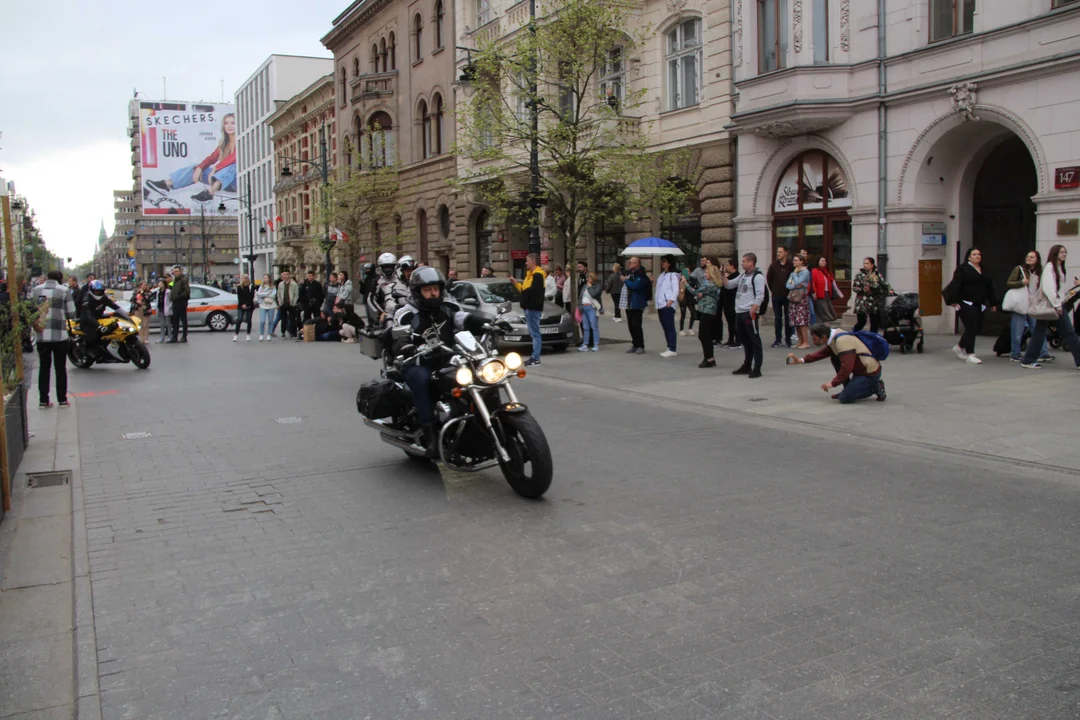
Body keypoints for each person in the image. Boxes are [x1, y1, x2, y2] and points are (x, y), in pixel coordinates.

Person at [394, 267, 492, 454]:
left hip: (447, 357)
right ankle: (430, 433)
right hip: (417, 361)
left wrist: (489, 324)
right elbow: (400, 334)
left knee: (477, 373)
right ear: (417, 292)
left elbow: (464, 319)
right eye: (427, 290)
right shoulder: (406, 312)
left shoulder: (447, 307)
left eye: (436, 289)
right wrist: (405, 345)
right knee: (421, 380)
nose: (433, 293)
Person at [144, 113, 237, 202]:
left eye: (233, 123)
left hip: (237, 182)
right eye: (226, 123)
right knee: (196, 168)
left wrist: (216, 169)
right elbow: (211, 159)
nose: (229, 126)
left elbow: (234, 157)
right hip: (224, 182)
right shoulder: (224, 145)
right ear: (223, 126)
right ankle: (166, 185)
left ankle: (210, 193)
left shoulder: (243, 141)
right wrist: (200, 167)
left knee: (235, 165)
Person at [788, 323, 887, 404]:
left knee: (845, 398)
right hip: (859, 371)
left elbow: (847, 367)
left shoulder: (842, 341)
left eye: (815, 339)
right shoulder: (833, 337)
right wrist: (801, 360)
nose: (814, 342)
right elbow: (822, 353)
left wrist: (833, 383)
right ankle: (848, 388)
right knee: (835, 358)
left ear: (823, 337)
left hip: (869, 373)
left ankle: (876, 386)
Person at [1021, 244, 1080, 370]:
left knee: (1041, 332)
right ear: (1055, 254)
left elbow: (1060, 289)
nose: (1064, 254)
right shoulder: (1050, 267)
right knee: (1068, 332)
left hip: (1056, 304)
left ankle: (1028, 360)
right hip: (1053, 305)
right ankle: (1028, 360)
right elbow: (1048, 289)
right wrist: (1058, 304)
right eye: (1061, 252)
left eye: (1065, 252)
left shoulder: (1059, 268)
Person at [32, 270, 76, 408]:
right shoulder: (64, 290)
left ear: (47, 278)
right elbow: (71, 313)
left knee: (44, 368)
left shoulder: (36, 290)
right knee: (60, 369)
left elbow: (31, 311)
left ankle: (43, 400)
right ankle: (62, 400)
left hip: (41, 335)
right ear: (60, 279)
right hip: (60, 336)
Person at [944, 247, 997, 364]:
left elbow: (989, 288)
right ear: (969, 257)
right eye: (974, 254)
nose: (977, 256)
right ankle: (970, 354)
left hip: (980, 303)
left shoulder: (984, 270)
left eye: (978, 254)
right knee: (971, 326)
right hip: (966, 302)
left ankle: (959, 347)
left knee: (975, 327)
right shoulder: (963, 269)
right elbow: (955, 284)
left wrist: (993, 302)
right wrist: (953, 301)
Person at [724, 253, 766, 378]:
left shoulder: (758, 277)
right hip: (739, 311)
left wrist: (752, 311)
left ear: (751, 263)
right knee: (744, 339)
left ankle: (757, 367)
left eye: (744, 261)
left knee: (754, 339)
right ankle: (747, 364)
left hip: (748, 312)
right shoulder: (743, 275)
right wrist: (721, 274)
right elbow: (729, 284)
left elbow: (760, 296)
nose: (741, 263)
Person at [1006, 251, 1051, 363]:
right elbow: (1009, 283)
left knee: (1038, 329)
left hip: (1034, 304)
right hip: (1021, 303)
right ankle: (1015, 354)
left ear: (1037, 259)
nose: (1029, 258)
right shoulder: (1019, 269)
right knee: (1017, 331)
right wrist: (1021, 282)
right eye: (1027, 257)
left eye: (1032, 257)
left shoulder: (1041, 272)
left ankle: (1043, 353)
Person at [510, 254, 547, 366]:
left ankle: (535, 358)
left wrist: (525, 292)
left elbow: (534, 290)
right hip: (528, 307)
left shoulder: (538, 275)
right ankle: (534, 356)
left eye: (527, 261)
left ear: (533, 261)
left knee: (535, 333)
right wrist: (516, 283)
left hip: (533, 307)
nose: (526, 263)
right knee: (533, 332)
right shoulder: (529, 275)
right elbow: (524, 289)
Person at [79, 280, 132, 358]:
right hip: (87, 321)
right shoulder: (86, 299)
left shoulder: (104, 297)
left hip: (99, 317)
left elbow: (114, 306)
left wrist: (127, 316)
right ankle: (88, 350)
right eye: (97, 291)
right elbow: (88, 315)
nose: (99, 293)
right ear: (92, 290)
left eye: (100, 291)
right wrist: (99, 326)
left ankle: (111, 345)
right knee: (94, 335)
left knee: (113, 326)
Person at [693, 257, 723, 368]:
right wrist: (699, 294)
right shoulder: (708, 284)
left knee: (704, 335)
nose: (705, 274)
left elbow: (696, 292)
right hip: (705, 310)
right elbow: (699, 294)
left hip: (708, 312)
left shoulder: (711, 285)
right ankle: (708, 357)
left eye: (706, 272)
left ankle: (710, 358)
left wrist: (685, 284)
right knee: (704, 335)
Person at [766, 247, 794, 348]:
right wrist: (773, 289)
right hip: (776, 295)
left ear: (785, 253)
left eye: (780, 252)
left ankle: (788, 339)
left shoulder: (791, 265)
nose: (778, 253)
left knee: (788, 318)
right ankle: (778, 339)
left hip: (787, 295)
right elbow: (769, 279)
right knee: (777, 318)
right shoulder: (774, 265)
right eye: (777, 252)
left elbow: (794, 278)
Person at [852, 257, 889, 333]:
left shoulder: (877, 275)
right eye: (864, 263)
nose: (865, 265)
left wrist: (888, 290)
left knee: (874, 323)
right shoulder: (859, 275)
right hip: (862, 302)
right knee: (861, 322)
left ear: (872, 265)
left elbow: (884, 285)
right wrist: (862, 289)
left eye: (867, 263)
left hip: (874, 302)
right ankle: (853, 334)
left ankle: (872, 339)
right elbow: (855, 288)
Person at [655, 255, 681, 358]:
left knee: (670, 326)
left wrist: (671, 300)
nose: (662, 263)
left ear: (669, 263)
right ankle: (669, 346)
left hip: (667, 303)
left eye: (664, 261)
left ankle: (672, 348)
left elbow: (676, 289)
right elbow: (660, 288)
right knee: (665, 326)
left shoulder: (673, 275)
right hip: (660, 304)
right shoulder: (662, 275)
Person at [786, 253, 812, 349]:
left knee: (802, 320)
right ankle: (800, 341)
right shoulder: (794, 271)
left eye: (796, 260)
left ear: (801, 261)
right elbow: (788, 285)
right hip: (793, 296)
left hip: (801, 297)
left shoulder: (805, 272)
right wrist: (795, 284)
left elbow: (797, 282)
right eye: (793, 260)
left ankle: (805, 341)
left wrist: (794, 276)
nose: (794, 262)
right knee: (796, 320)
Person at [372, 253, 407, 324]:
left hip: (401, 309)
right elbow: (372, 299)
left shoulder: (400, 279)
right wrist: (382, 312)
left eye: (390, 267)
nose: (388, 270)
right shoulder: (377, 281)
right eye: (385, 267)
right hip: (386, 313)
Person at [578, 271, 602, 352]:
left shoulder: (597, 286)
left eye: (589, 277)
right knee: (585, 327)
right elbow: (580, 296)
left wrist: (589, 287)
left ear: (593, 278)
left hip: (592, 307)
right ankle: (585, 344)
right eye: (587, 277)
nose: (587, 279)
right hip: (584, 307)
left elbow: (594, 295)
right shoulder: (584, 286)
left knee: (594, 326)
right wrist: (580, 307)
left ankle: (596, 344)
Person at [811, 257, 840, 323]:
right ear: (818, 262)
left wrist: (839, 293)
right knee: (824, 310)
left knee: (827, 309)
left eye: (825, 261)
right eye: (822, 261)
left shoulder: (827, 271)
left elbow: (832, 282)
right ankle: (823, 325)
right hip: (819, 294)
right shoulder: (814, 271)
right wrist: (814, 292)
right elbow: (813, 282)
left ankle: (826, 325)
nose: (824, 262)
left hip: (826, 293)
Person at [167, 266, 190, 343]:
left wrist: (179, 296)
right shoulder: (175, 280)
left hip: (181, 302)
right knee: (175, 320)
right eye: (174, 271)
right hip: (175, 302)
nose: (175, 273)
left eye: (176, 271)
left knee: (183, 320)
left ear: (180, 272)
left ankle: (184, 336)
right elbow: (170, 287)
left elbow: (187, 291)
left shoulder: (183, 279)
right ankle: (174, 336)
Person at [276, 270, 300, 340]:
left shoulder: (294, 284)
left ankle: (293, 333)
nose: (285, 276)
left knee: (292, 319)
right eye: (284, 274)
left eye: (287, 274)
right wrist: (280, 302)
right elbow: (278, 294)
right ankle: (283, 332)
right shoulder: (280, 284)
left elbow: (296, 294)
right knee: (283, 318)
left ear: (289, 275)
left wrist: (294, 302)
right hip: (283, 303)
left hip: (291, 304)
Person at [722, 259, 740, 348]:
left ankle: (738, 340)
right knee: (729, 322)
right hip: (727, 302)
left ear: (732, 266)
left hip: (733, 302)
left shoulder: (737, 276)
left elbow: (730, 286)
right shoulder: (729, 276)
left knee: (734, 322)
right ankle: (730, 339)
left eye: (728, 265)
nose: (727, 267)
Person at [233, 275, 255, 342]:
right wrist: (242, 304)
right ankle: (236, 334)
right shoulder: (239, 286)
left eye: (244, 278)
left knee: (249, 320)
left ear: (247, 279)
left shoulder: (251, 286)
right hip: (241, 305)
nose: (243, 279)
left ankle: (248, 334)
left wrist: (247, 304)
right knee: (239, 319)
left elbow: (251, 296)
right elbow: (239, 297)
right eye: (242, 278)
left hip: (249, 305)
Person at [256, 273, 278, 341]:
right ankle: (261, 334)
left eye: (266, 278)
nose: (265, 279)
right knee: (262, 321)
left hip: (271, 305)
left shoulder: (273, 287)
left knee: (270, 321)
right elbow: (258, 294)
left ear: (269, 279)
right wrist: (267, 293)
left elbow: (273, 296)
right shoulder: (261, 286)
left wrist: (264, 295)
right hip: (263, 305)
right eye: (264, 278)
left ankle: (269, 334)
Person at [155, 278, 171, 343]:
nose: (159, 284)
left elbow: (170, 301)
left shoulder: (168, 291)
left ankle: (170, 336)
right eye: (159, 283)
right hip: (161, 309)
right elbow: (157, 301)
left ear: (164, 284)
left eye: (161, 283)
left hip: (166, 309)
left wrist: (169, 307)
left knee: (168, 324)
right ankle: (162, 337)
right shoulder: (158, 292)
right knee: (162, 324)